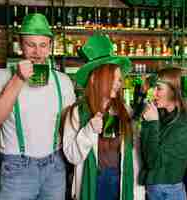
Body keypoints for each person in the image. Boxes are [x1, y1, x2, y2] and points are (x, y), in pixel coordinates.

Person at [0, 13, 76, 200]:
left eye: (43, 45)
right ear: (20, 45)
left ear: (50, 46)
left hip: (55, 166)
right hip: (17, 168)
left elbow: (69, 125)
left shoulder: (63, 81)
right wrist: (18, 79)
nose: (37, 52)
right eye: (31, 45)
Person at [62, 34, 145, 200]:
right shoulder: (76, 112)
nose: (118, 83)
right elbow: (71, 156)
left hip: (121, 181)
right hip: (93, 182)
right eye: (112, 78)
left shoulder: (126, 112)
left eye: (119, 79)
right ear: (94, 79)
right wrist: (89, 130)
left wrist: (138, 193)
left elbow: (135, 156)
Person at [139, 67, 187, 200]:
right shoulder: (165, 116)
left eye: (159, 88)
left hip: (167, 193)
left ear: (174, 91)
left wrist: (151, 123)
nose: (154, 93)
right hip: (157, 190)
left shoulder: (185, 125)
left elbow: (153, 162)